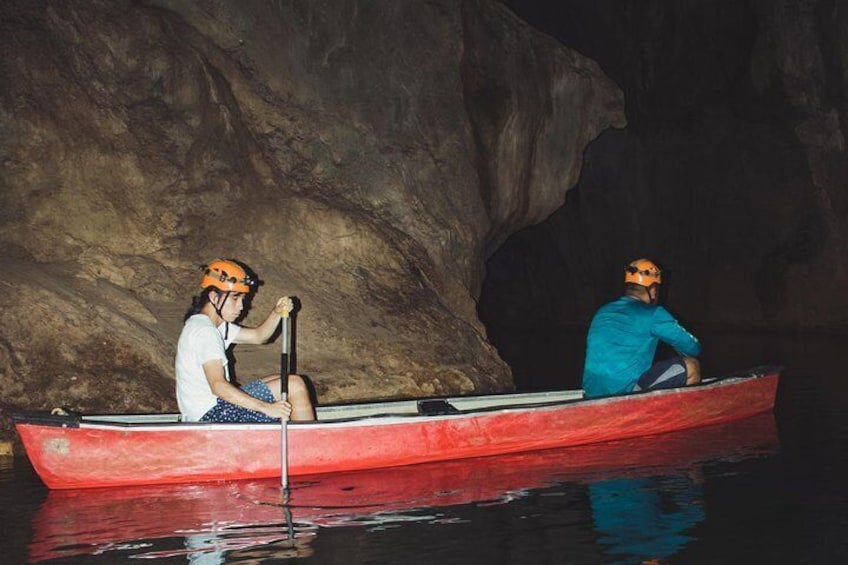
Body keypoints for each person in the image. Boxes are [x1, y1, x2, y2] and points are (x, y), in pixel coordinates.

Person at [176, 259, 315, 422]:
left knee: (280, 379)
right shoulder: (205, 331)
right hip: (212, 416)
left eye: (242, 299)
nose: (241, 306)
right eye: (235, 298)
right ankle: (311, 443)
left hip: (216, 408)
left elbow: (259, 336)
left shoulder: (214, 325)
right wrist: (266, 408)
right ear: (214, 297)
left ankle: (299, 435)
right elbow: (218, 385)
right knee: (294, 385)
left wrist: (277, 313)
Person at [581, 258, 701, 399]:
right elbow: (693, 348)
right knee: (692, 365)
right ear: (653, 290)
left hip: (590, 394)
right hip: (624, 396)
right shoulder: (653, 314)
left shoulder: (603, 311)